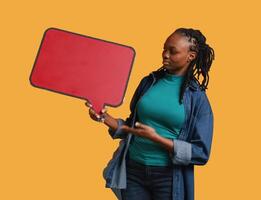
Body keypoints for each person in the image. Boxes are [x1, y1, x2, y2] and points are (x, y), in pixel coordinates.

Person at [85, 28, 215, 200]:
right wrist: (103, 117)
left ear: (190, 56)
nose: (165, 55)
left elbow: (201, 153)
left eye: (173, 51)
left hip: (168, 178)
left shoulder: (197, 98)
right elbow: (133, 127)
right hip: (133, 172)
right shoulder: (148, 82)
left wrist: (157, 138)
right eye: (164, 49)